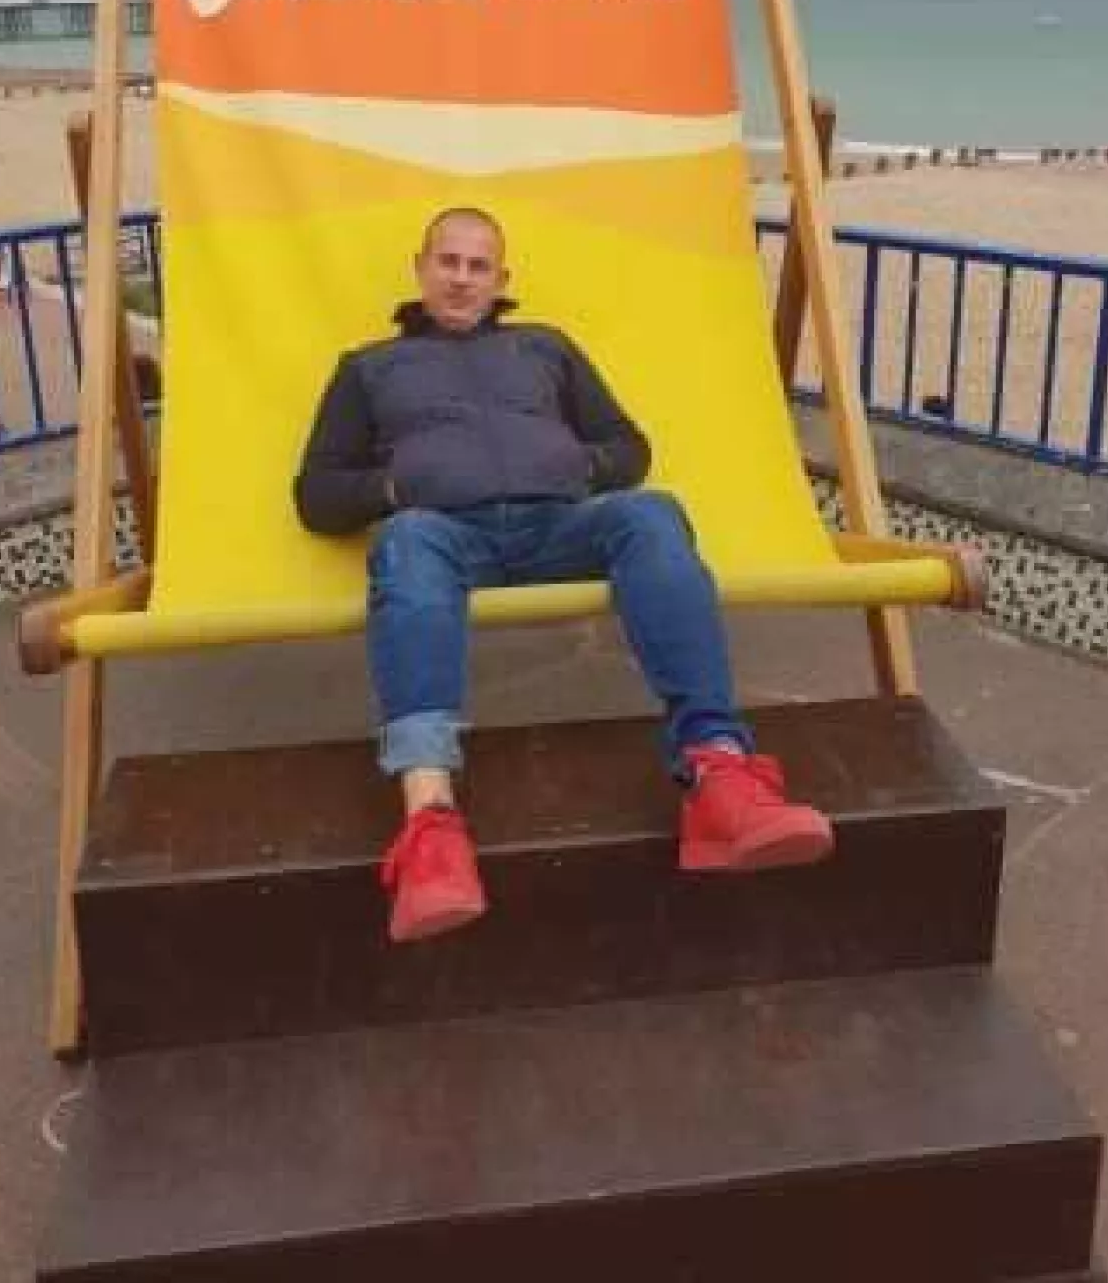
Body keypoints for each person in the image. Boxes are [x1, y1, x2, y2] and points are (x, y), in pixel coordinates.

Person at [295, 207, 834, 943]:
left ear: (501, 280)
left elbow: (628, 447)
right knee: (406, 541)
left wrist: (579, 466)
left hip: (559, 525)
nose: (461, 278)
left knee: (651, 513)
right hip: (448, 536)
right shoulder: (368, 368)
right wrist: (396, 486)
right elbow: (317, 496)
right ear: (420, 268)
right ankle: (430, 825)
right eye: (448, 261)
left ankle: (720, 774)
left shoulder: (544, 348)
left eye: (478, 266)